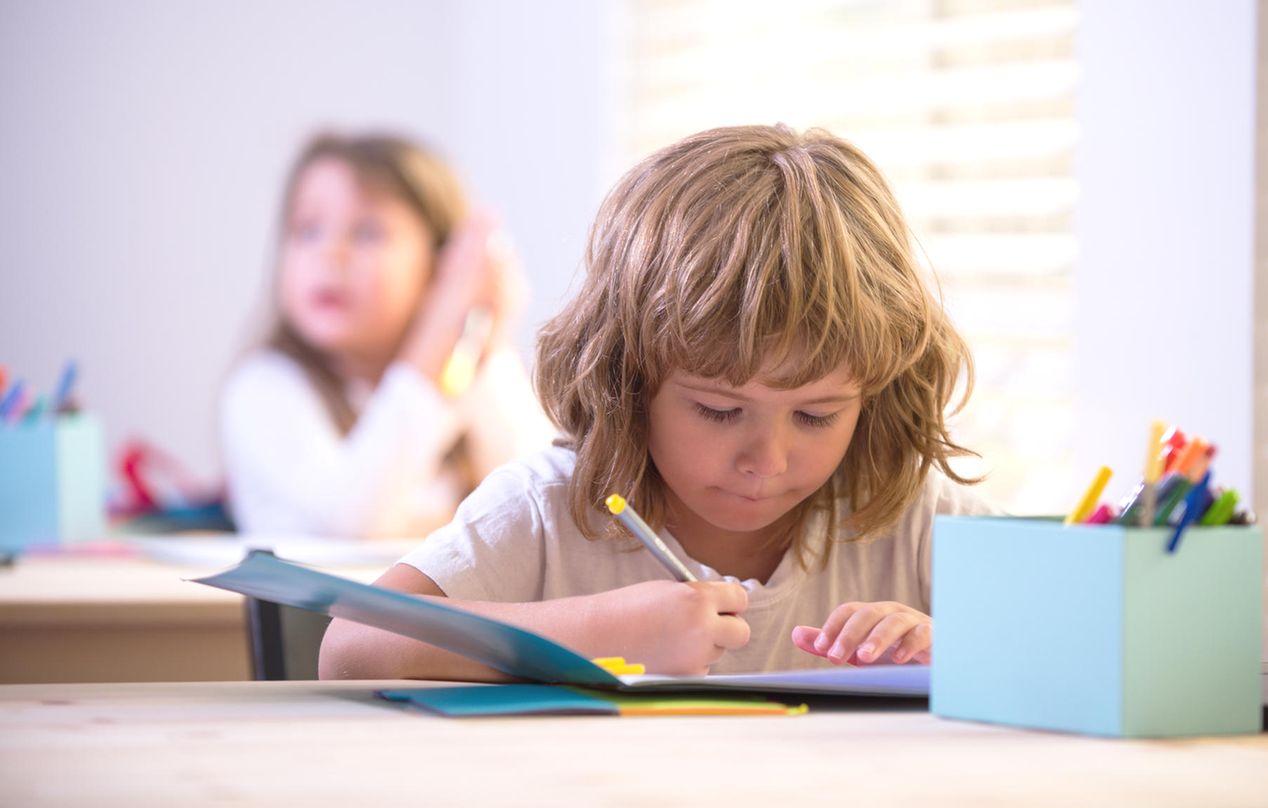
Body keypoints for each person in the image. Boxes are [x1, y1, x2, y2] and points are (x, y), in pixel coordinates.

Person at [319, 123, 990, 680]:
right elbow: (352, 645)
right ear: (626, 378)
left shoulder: (912, 514)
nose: (768, 459)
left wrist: (960, 651)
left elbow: (1084, 643)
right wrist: (601, 632)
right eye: (719, 410)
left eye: (816, 415)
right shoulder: (550, 513)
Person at [220, 132, 554, 539]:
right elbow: (353, 526)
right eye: (307, 230)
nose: (331, 254)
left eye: (366, 233)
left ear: (441, 265)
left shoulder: (465, 379)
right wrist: (432, 344)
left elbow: (548, 509)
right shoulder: (263, 388)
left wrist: (483, 339)